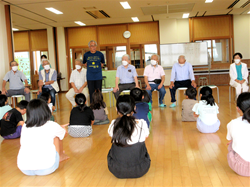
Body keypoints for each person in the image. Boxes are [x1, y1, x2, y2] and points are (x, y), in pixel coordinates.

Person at [17, 99, 69, 176]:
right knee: (56, 136)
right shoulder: (51, 125)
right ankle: (61, 156)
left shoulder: (25, 126)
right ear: (46, 111)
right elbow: (64, 135)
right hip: (47, 168)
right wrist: (63, 129)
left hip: (24, 169)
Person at [107, 95, 150, 178]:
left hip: (116, 170)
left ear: (116, 109)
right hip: (141, 169)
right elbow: (145, 137)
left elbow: (111, 135)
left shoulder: (113, 124)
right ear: (134, 108)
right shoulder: (142, 123)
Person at [226, 92, 250, 177]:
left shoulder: (233, 123)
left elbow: (229, 138)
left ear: (238, 108)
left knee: (231, 143)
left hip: (241, 168)